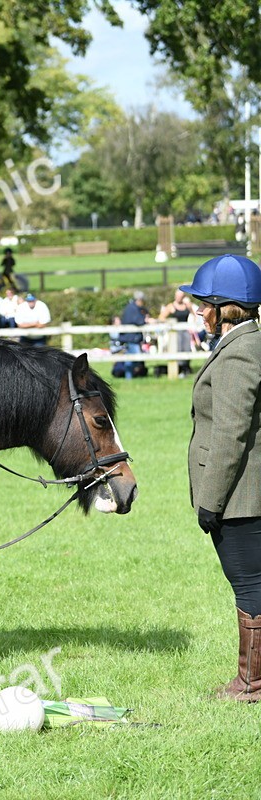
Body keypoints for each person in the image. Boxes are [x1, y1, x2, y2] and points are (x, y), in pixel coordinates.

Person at [180, 253, 261, 702]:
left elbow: (231, 432)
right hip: (248, 490)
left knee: (250, 583)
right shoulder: (247, 345)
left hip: (242, 496)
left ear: (223, 306)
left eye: (202, 302)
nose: (197, 309)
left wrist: (210, 501)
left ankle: (251, 684)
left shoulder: (239, 355)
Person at [116, 291, 153, 380]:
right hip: (131, 338)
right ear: (139, 300)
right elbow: (139, 321)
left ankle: (129, 377)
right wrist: (146, 320)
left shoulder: (133, 307)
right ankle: (129, 376)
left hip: (130, 337)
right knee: (135, 357)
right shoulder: (132, 309)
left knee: (131, 357)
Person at [159, 289, 196, 376]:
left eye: (181, 296)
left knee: (187, 348)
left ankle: (186, 368)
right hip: (175, 332)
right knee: (178, 348)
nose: (179, 298)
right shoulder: (171, 306)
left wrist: (189, 305)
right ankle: (178, 369)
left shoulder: (186, 305)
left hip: (185, 330)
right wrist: (169, 323)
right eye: (178, 296)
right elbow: (161, 317)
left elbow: (194, 314)